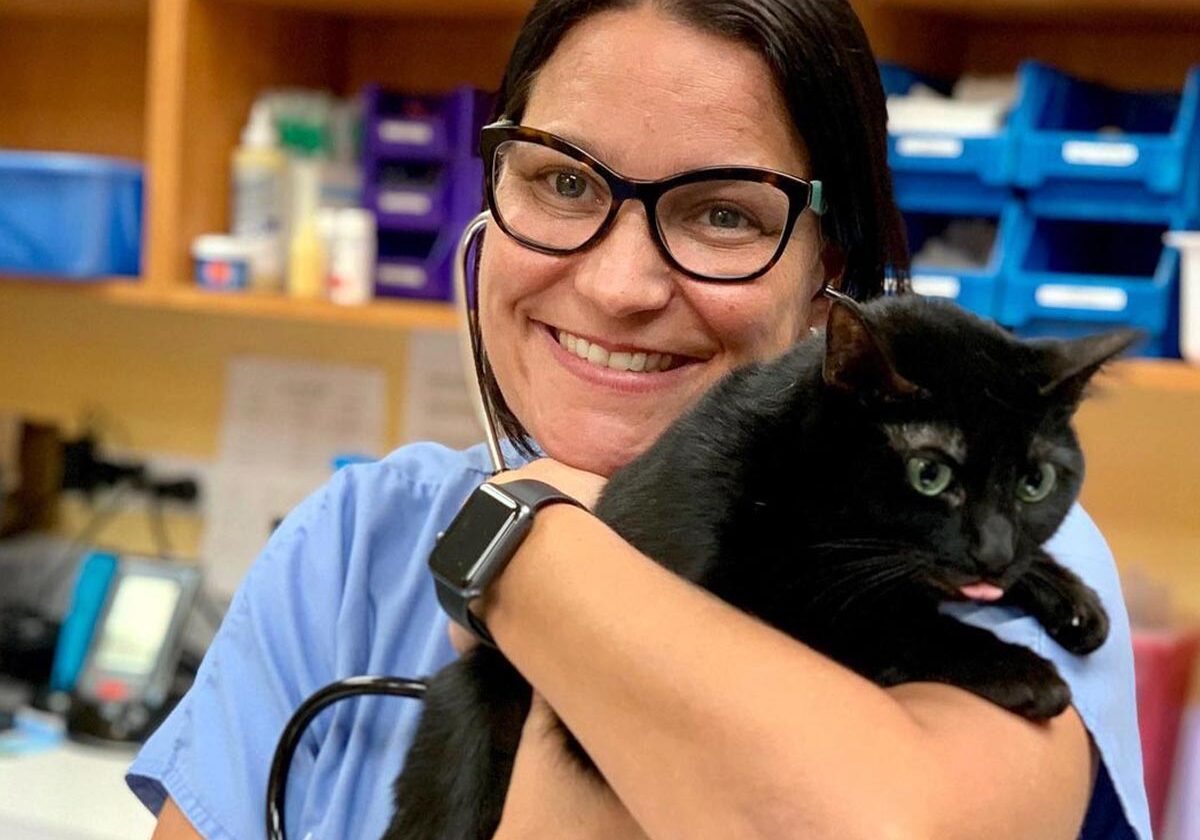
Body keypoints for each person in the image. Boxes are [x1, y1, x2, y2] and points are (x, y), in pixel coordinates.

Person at [131, 1, 1151, 838]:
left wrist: (532, 550)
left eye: (723, 213)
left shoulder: (977, 554)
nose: (620, 286)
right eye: (562, 182)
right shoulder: (350, 546)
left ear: (827, 283)